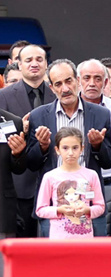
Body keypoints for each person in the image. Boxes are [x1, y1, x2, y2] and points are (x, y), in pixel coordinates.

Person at [26, 58, 111, 237]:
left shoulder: (100, 114)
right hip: (53, 207)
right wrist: (43, 147)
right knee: (54, 261)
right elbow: (31, 163)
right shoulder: (39, 116)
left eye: (68, 81)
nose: (65, 89)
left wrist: (97, 145)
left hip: (90, 205)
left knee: (93, 260)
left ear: (78, 80)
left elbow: (109, 161)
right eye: (58, 84)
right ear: (51, 88)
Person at [36, 127, 104, 277]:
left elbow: (100, 207)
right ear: (57, 150)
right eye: (65, 148)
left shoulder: (91, 175)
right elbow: (40, 209)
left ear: (82, 149)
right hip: (59, 244)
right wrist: (59, 210)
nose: (70, 152)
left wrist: (87, 209)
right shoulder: (50, 177)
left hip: (84, 244)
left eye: (75, 147)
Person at [0, 44, 57, 238]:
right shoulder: (4, 96)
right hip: (19, 185)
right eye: (28, 60)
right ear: (19, 64)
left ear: (46, 64)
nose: (34, 64)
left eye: (39, 59)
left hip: (53, 180)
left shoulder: (57, 94)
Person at [77, 59, 111, 187]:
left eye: (97, 79)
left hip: (109, 182)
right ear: (78, 81)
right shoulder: (68, 108)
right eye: (87, 78)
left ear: (106, 82)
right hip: (76, 182)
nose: (92, 83)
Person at [0, 108, 27, 277]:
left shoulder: (11, 122)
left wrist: (19, 153)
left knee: (0, 275)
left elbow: (19, 167)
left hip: (1, 206)